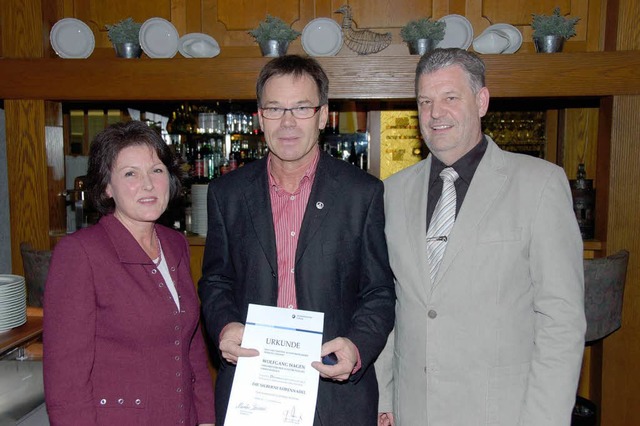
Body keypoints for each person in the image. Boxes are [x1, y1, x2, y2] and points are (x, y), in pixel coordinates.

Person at [376, 48, 586, 426]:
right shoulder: (392, 192)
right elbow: (390, 305)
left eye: (450, 98)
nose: (435, 113)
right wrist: (383, 398)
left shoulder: (540, 185)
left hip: (502, 413)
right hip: (412, 411)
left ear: (481, 101)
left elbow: (562, 320)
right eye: (425, 101)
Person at [198, 54, 395, 425]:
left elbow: (379, 293)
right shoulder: (227, 193)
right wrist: (224, 326)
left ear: (323, 116)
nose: (287, 122)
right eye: (275, 108)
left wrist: (356, 346)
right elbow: (216, 281)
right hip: (253, 390)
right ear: (259, 117)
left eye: (301, 108)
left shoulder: (361, 193)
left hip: (335, 395)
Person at [43, 120, 215, 426]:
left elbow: (190, 347)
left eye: (157, 170)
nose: (148, 185)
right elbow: (66, 381)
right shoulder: (81, 253)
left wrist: (204, 417)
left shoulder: (175, 244)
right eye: (130, 174)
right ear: (107, 186)